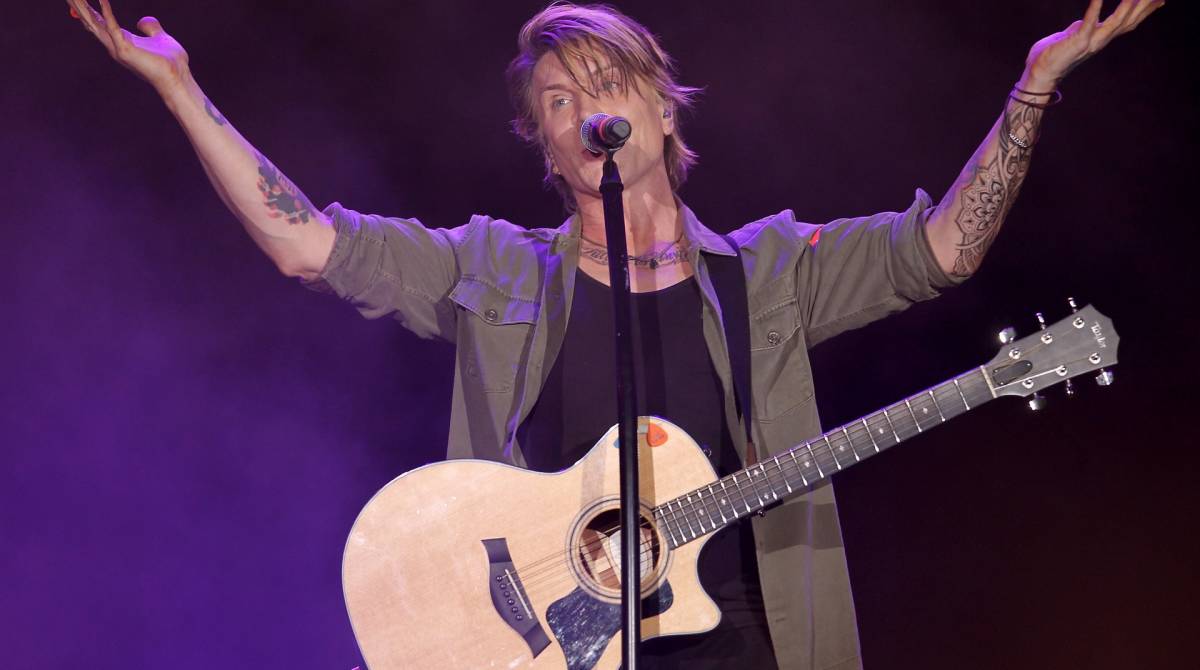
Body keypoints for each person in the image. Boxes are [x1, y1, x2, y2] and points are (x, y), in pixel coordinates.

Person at [66, 1, 1162, 668]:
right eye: (557, 97)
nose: (586, 101)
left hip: (745, 641)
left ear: (665, 107)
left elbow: (942, 253)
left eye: (610, 79)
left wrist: (1033, 86)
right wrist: (181, 89)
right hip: (549, 648)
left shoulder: (772, 273)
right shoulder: (494, 271)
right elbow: (310, 244)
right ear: (543, 144)